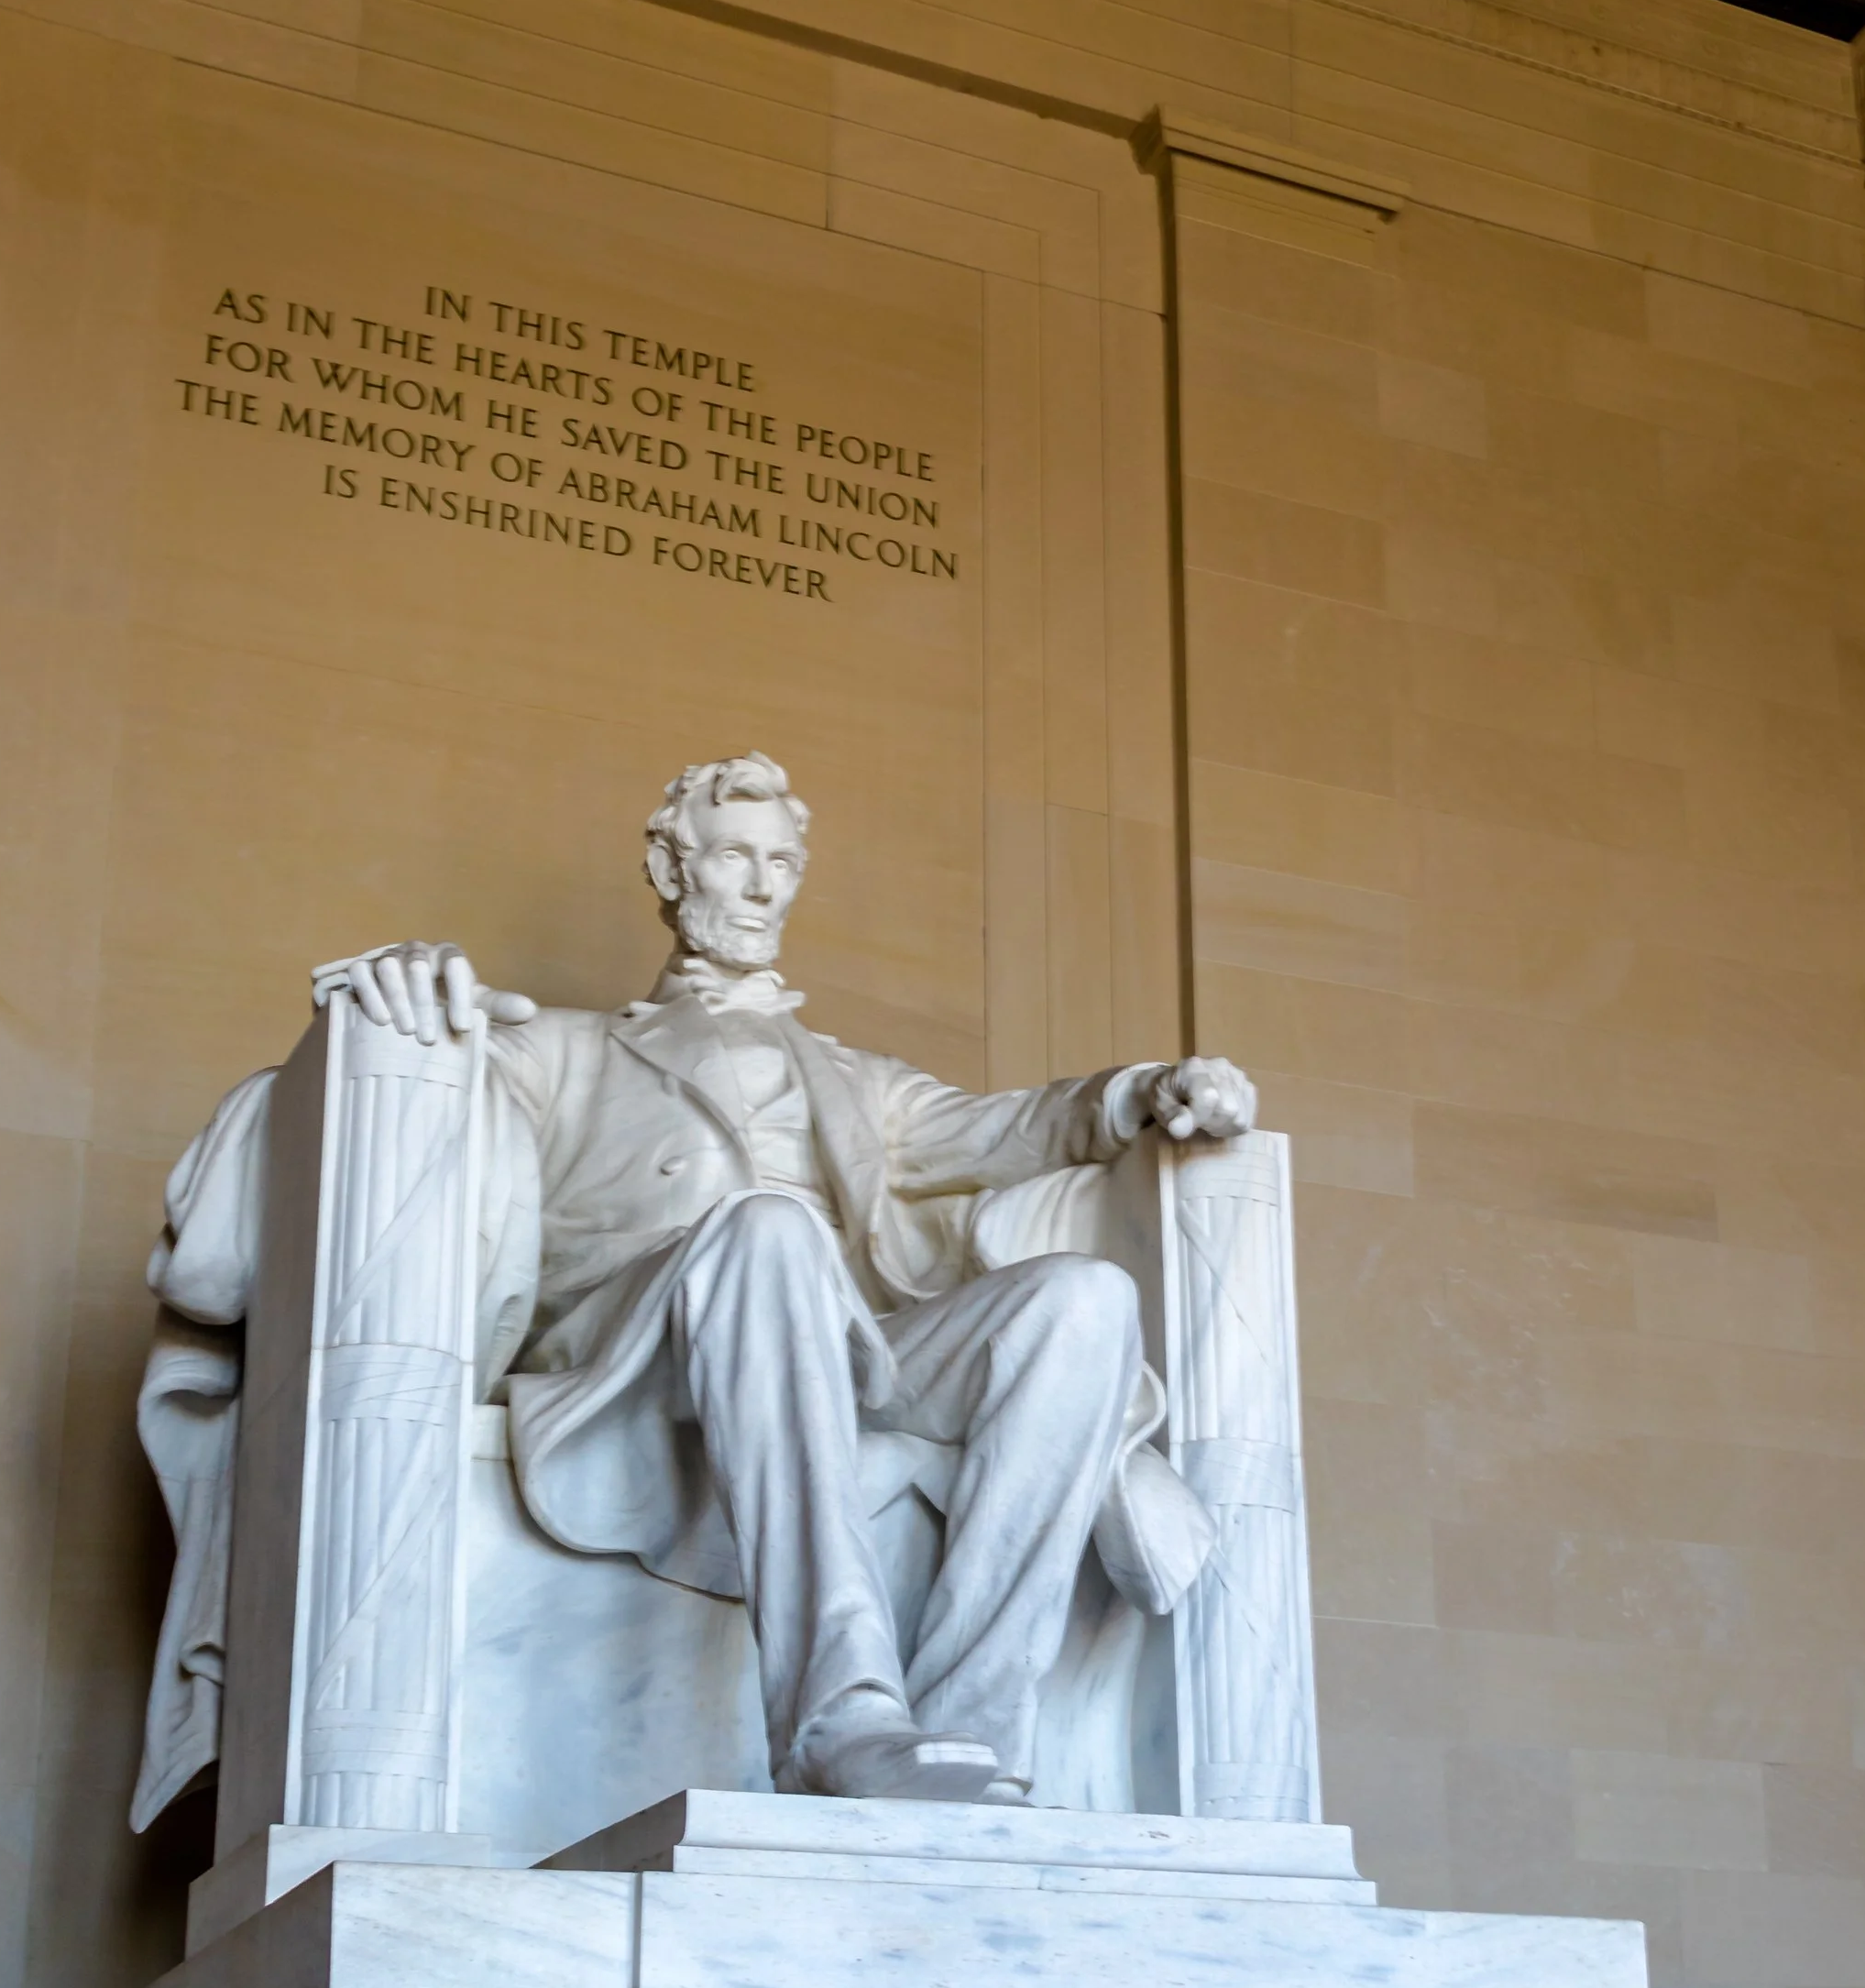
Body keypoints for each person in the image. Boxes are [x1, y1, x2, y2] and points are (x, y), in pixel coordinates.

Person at [135, 752, 1256, 1823]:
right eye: (732, 857)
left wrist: (1148, 1092)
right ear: (674, 873)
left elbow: (1013, 1125)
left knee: (1086, 1301)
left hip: (842, 1349)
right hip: (639, 1354)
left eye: (780, 864)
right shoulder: (564, 1048)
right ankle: (839, 1715)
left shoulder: (860, 1081)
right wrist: (400, 994)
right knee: (768, 1228)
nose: (762, 885)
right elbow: (413, 1069)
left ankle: (973, 1731)